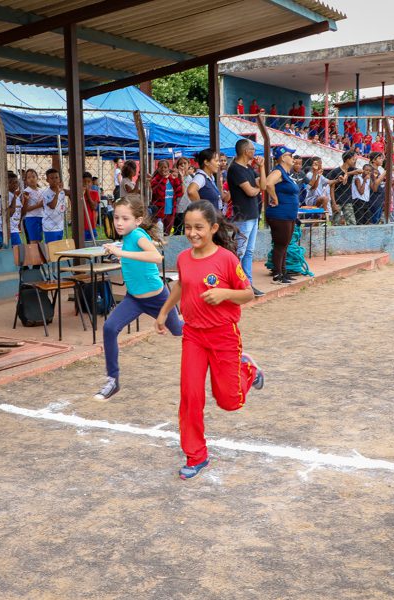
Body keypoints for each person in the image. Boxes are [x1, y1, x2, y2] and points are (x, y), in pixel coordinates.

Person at [155, 200, 263, 480]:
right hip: (193, 335)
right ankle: (196, 455)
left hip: (224, 334)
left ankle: (248, 369)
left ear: (213, 228)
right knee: (190, 396)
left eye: (199, 227)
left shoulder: (226, 259)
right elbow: (181, 285)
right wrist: (165, 311)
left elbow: (248, 293)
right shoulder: (183, 258)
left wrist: (224, 294)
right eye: (188, 227)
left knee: (229, 401)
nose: (192, 233)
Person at [93, 197, 183, 401]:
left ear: (138, 220)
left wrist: (121, 252)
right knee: (109, 328)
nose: (119, 222)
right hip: (134, 299)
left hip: (157, 298)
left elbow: (156, 257)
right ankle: (112, 380)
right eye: (116, 217)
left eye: (125, 218)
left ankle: (201, 324)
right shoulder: (126, 238)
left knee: (178, 330)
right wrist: (116, 248)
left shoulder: (138, 234)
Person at [226, 138, 266, 297]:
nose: (254, 152)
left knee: (248, 251)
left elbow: (262, 186)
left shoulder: (249, 168)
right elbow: (251, 191)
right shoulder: (235, 169)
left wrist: (262, 168)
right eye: (252, 149)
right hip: (243, 216)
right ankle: (235, 282)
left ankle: (247, 283)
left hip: (252, 215)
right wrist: (257, 188)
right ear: (245, 151)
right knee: (240, 251)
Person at [265, 146, 301, 284]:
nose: (292, 158)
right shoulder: (278, 171)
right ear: (282, 158)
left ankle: (283, 272)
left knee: (284, 244)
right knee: (280, 245)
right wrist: (275, 198)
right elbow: (268, 183)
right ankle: (277, 274)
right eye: (290, 155)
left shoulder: (286, 173)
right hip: (280, 214)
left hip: (288, 215)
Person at [327, 150, 362, 225]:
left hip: (348, 200)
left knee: (352, 222)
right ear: (347, 160)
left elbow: (361, 171)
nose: (354, 161)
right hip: (337, 201)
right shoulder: (336, 171)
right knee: (336, 223)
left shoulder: (351, 169)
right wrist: (333, 204)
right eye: (353, 159)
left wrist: (348, 174)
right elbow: (332, 188)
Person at [149, 159, 182, 235]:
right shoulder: (155, 180)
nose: (163, 169)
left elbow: (179, 193)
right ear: (158, 168)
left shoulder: (171, 179)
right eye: (161, 167)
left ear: (168, 168)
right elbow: (159, 194)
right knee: (159, 233)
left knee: (167, 233)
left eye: (165, 167)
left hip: (170, 211)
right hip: (159, 213)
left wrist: (177, 179)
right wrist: (164, 179)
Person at [41, 168, 66, 243]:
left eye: (56, 177)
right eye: (52, 178)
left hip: (60, 225)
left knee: (58, 248)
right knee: (51, 249)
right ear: (47, 180)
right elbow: (52, 206)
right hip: (50, 227)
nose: (55, 180)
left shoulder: (62, 191)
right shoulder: (46, 193)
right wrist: (57, 193)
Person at [20, 168, 43, 244]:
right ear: (26, 180)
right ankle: (33, 255)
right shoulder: (26, 192)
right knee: (33, 241)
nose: (31, 179)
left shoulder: (41, 191)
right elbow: (25, 209)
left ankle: (38, 255)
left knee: (39, 240)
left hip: (41, 217)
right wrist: (38, 205)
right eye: (29, 177)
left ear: (37, 178)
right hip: (31, 218)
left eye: (33, 177)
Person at [173, 157, 191, 235]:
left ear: (189, 165)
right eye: (180, 164)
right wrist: (181, 178)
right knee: (178, 230)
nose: (183, 165)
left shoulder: (192, 177)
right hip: (179, 207)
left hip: (189, 206)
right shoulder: (175, 178)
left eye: (185, 163)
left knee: (187, 230)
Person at [82, 171, 100, 242]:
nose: (86, 184)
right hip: (81, 227)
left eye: (88, 182)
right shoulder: (79, 193)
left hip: (91, 226)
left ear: (92, 183)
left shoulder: (95, 193)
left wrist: (88, 194)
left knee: (93, 244)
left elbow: (94, 207)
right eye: (84, 182)